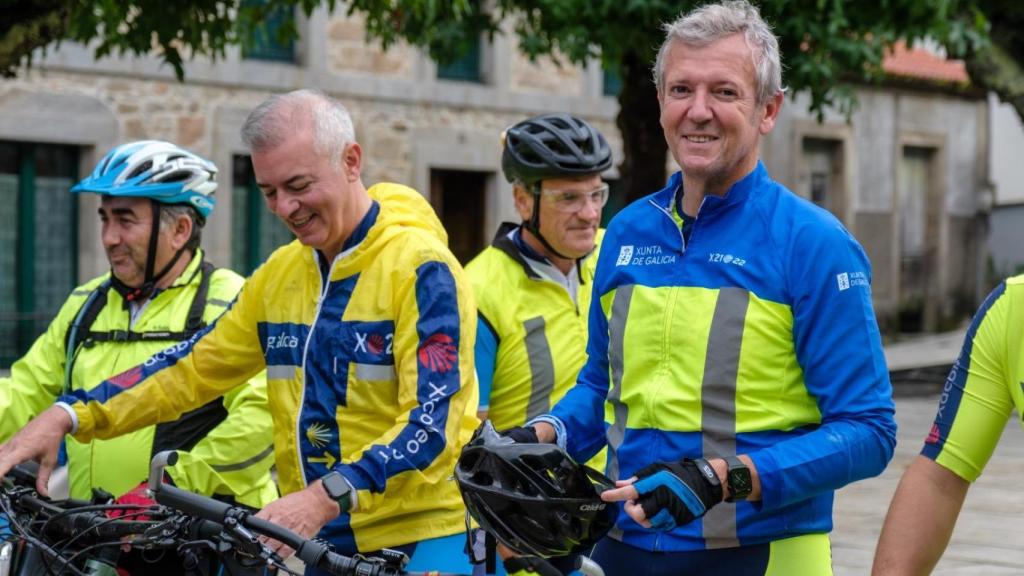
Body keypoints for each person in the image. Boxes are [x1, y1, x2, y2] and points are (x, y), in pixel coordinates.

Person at [0, 90, 481, 575]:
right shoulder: (280, 273)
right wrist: (68, 415)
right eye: (268, 191)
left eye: (298, 185)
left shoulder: (423, 269)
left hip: (422, 541)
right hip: (318, 544)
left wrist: (322, 497)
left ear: (351, 161)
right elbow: (190, 368)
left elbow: (430, 425)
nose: (285, 208)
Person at [503, 2, 897, 574]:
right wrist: (546, 434)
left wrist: (726, 478)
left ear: (768, 109)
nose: (699, 111)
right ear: (661, 101)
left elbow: (869, 431)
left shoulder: (813, 242)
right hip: (626, 547)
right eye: (681, 89)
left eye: (725, 92)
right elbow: (601, 387)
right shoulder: (627, 233)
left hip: (760, 554)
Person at [0, 140, 278, 572]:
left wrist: (164, 488)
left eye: (125, 220)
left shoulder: (229, 302)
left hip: (204, 546)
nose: (110, 238)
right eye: (105, 218)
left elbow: (261, 420)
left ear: (180, 230)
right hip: (96, 543)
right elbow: (25, 390)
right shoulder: (85, 305)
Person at [465, 113, 611, 575]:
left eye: (596, 195)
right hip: (532, 536)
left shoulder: (617, 258)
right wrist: (508, 529)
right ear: (523, 198)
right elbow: (467, 436)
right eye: (569, 198)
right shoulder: (479, 289)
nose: (589, 213)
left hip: (620, 514)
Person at [872, 275, 1024, 574]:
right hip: (759, 511)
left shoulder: (817, 246)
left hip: (770, 506)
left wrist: (753, 480)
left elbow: (863, 434)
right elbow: (939, 476)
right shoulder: (1013, 309)